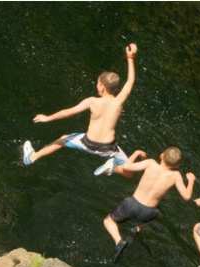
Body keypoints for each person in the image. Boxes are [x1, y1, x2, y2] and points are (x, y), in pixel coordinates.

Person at [22, 43, 138, 177]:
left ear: (102, 87)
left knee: (63, 140)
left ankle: (31, 158)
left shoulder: (92, 101)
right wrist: (130, 58)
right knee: (129, 173)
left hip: (88, 143)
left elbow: (68, 112)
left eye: (97, 83)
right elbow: (130, 81)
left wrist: (47, 118)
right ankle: (111, 168)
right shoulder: (118, 102)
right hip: (108, 149)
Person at [103, 146, 196, 263]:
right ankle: (134, 231)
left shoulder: (150, 163)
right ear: (177, 165)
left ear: (161, 155)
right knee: (143, 221)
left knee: (108, 221)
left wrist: (136, 153)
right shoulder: (176, 175)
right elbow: (187, 197)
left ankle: (119, 241)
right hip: (149, 212)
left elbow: (126, 167)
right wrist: (191, 180)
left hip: (132, 204)